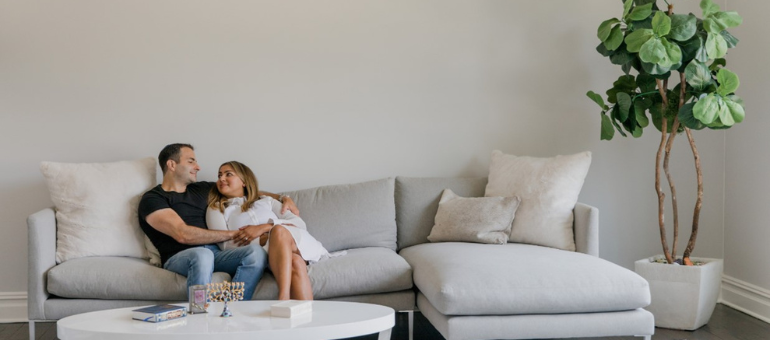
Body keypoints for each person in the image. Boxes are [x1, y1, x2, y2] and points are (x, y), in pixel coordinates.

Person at [138, 143, 298, 300]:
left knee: (256, 253)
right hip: (179, 257)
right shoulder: (153, 199)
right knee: (202, 254)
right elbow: (183, 234)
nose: (198, 167)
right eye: (191, 161)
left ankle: (233, 309)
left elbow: (245, 190)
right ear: (172, 164)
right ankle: (198, 312)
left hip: (217, 255)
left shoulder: (201, 189)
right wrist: (237, 234)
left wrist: (283, 198)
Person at [206, 161, 329, 300]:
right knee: (295, 262)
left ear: (244, 181)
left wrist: (263, 228)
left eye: (228, 174)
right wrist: (262, 240)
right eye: (219, 175)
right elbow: (225, 245)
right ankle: (304, 318)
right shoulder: (217, 208)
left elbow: (299, 224)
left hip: (295, 241)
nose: (221, 179)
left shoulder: (266, 201)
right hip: (270, 253)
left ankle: (283, 298)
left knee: (278, 231)